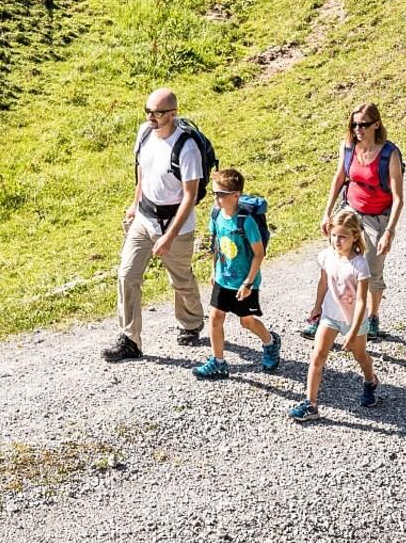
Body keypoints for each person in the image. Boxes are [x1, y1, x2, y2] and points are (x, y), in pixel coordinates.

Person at [103, 86, 205, 361]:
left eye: (158, 113)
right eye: (148, 111)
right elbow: (142, 170)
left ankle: (191, 322)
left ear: (173, 114)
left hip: (176, 226)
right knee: (127, 275)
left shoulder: (187, 148)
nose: (151, 117)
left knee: (180, 280)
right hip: (144, 219)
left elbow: (190, 196)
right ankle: (130, 340)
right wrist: (135, 203)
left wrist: (169, 237)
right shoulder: (145, 133)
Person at [306, 100, 404, 340]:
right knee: (333, 262)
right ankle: (320, 315)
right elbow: (339, 178)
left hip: (377, 217)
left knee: (371, 270)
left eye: (363, 125)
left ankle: (372, 317)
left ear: (376, 124)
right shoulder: (349, 147)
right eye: (354, 125)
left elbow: (398, 198)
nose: (358, 129)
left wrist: (389, 231)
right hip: (351, 210)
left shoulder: (389, 154)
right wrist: (327, 212)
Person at [289, 209, 380, 421]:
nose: (336, 241)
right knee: (318, 355)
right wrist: (317, 307)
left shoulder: (360, 265)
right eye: (333, 235)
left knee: (360, 356)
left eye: (342, 237)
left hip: (354, 321)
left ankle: (370, 381)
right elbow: (323, 283)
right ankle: (311, 404)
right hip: (330, 315)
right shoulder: (326, 256)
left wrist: (353, 331)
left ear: (355, 236)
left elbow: (361, 300)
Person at [191, 167, 282, 379]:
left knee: (246, 321)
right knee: (215, 318)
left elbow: (259, 254)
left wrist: (248, 283)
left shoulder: (246, 221)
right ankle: (218, 362)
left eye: (221, 194)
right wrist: (214, 270)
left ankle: (270, 342)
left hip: (244, 282)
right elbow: (216, 245)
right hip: (223, 278)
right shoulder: (216, 215)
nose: (216, 198)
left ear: (236, 195)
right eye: (214, 193)